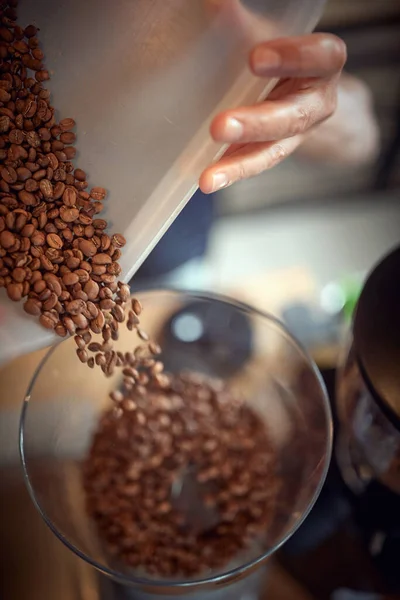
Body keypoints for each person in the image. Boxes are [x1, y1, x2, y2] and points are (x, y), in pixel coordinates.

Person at [134, 33, 380, 285]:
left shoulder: (222, 24)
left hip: (176, 260)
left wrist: (304, 106)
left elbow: (361, 140)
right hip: (119, 257)